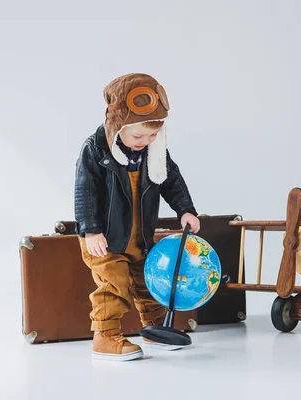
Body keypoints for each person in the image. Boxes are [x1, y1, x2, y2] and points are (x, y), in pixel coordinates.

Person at [74, 73, 200, 361]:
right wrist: (90, 229)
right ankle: (105, 336)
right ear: (117, 127)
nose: (146, 141)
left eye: (153, 134)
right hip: (105, 240)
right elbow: (85, 191)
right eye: (138, 135)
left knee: (148, 280)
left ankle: (154, 327)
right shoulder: (95, 151)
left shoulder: (153, 152)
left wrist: (185, 209)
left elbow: (172, 181)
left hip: (138, 236)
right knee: (113, 285)